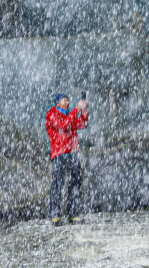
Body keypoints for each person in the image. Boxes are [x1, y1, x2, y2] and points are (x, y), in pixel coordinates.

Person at [45, 92, 89, 225]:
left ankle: (73, 213)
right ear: (57, 102)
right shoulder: (52, 114)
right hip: (59, 154)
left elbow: (82, 124)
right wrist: (77, 109)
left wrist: (84, 110)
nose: (67, 103)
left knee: (75, 183)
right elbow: (63, 125)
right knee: (57, 184)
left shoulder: (70, 115)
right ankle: (55, 215)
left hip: (72, 152)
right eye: (64, 100)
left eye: (68, 100)